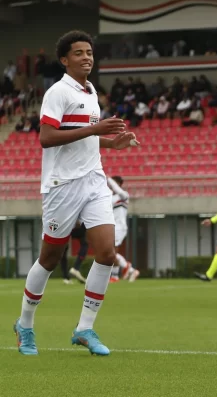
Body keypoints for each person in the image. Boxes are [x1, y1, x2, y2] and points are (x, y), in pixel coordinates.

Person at [13, 30, 139, 357]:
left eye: (90, 52)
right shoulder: (57, 92)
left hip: (94, 180)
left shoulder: (92, 91)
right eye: (79, 53)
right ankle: (25, 324)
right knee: (50, 258)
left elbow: (83, 138)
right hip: (62, 185)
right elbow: (47, 137)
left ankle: (84, 328)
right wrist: (98, 129)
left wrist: (112, 143)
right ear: (64, 60)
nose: (87, 57)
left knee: (107, 253)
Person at [108, 176, 139, 283]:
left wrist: (108, 179)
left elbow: (117, 189)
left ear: (119, 184)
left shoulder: (124, 195)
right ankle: (129, 269)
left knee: (112, 252)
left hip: (120, 227)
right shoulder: (110, 198)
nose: (111, 186)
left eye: (114, 183)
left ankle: (115, 276)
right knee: (110, 252)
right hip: (112, 227)